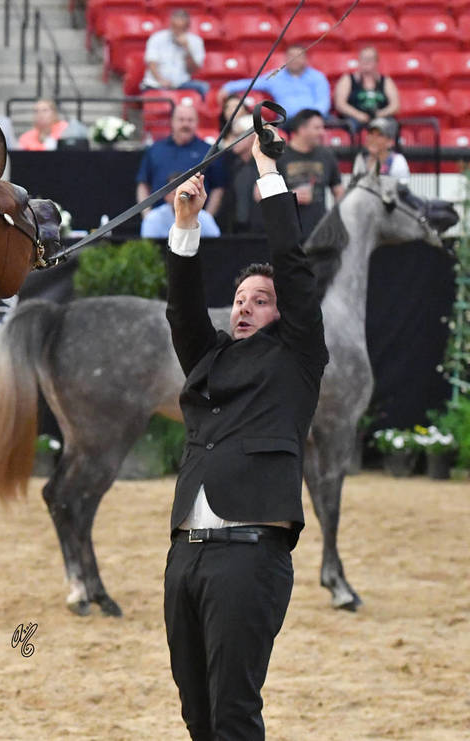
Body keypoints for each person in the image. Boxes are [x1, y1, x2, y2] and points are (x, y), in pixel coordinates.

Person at [163, 129, 328, 741]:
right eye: (238, 299)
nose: (243, 306)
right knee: (197, 717)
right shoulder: (209, 358)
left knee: (233, 714)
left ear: (284, 314)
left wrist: (265, 167)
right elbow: (182, 310)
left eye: (259, 300)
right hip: (186, 554)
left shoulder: (297, 355)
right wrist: (187, 222)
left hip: (249, 554)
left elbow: (292, 260)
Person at [136, 103, 224, 218]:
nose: (185, 124)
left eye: (190, 120)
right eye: (181, 119)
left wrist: (207, 218)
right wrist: (148, 216)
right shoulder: (155, 150)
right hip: (160, 221)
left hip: (195, 219)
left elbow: (218, 188)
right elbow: (143, 184)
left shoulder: (209, 151)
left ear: (197, 122)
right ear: (172, 121)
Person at [275, 108, 344, 239]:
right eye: (317, 128)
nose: (322, 132)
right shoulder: (280, 157)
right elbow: (258, 193)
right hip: (287, 232)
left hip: (320, 232)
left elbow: (338, 191)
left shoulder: (327, 155)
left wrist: (337, 219)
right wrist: (289, 196)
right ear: (302, 129)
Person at [219, 45, 330, 117]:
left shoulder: (318, 77)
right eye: (291, 56)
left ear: (306, 59)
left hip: (314, 120)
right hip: (287, 122)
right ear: (285, 59)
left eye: (298, 56)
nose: (294, 59)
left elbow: (323, 102)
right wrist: (228, 87)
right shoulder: (276, 76)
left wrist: (310, 116)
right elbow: (253, 83)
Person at [141, 9, 207, 98]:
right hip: (156, 84)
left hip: (181, 84)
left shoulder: (196, 41)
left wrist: (187, 49)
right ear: (170, 24)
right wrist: (161, 80)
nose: (177, 31)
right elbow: (152, 63)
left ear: (187, 27)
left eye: (181, 28)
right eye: (175, 27)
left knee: (203, 87)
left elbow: (193, 70)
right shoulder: (157, 38)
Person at [333, 45, 400, 130]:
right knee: (351, 125)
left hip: (381, 117)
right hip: (354, 118)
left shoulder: (386, 80)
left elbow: (395, 106)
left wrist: (380, 114)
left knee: (388, 126)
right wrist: (358, 115)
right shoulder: (347, 79)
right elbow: (340, 104)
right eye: (364, 58)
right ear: (359, 60)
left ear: (377, 62)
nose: (366, 62)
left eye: (370, 59)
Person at [141, 173, 220, 239]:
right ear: (166, 196)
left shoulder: (205, 217)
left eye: (185, 193)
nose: (180, 198)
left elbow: (216, 244)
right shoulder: (153, 218)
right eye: (175, 193)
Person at [351, 116, 409, 184]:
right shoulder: (361, 160)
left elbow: (401, 192)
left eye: (380, 135)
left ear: (390, 142)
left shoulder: (397, 161)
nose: (373, 139)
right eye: (371, 134)